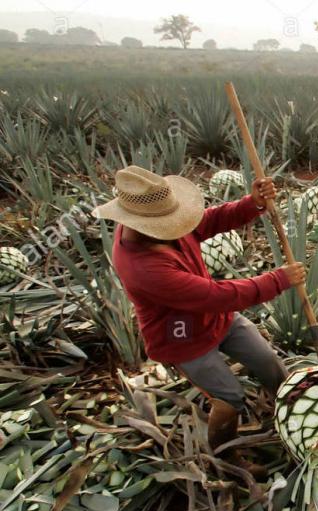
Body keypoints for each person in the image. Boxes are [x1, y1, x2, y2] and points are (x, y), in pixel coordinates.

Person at [95, 165, 306, 477]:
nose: (177, 225)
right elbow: (216, 295)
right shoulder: (143, 268)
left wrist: (252, 204)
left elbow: (208, 221)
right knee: (229, 396)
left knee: (267, 361)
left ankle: (291, 408)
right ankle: (227, 454)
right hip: (184, 341)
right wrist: (277, 280)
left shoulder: (160, 226)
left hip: (218, 320)